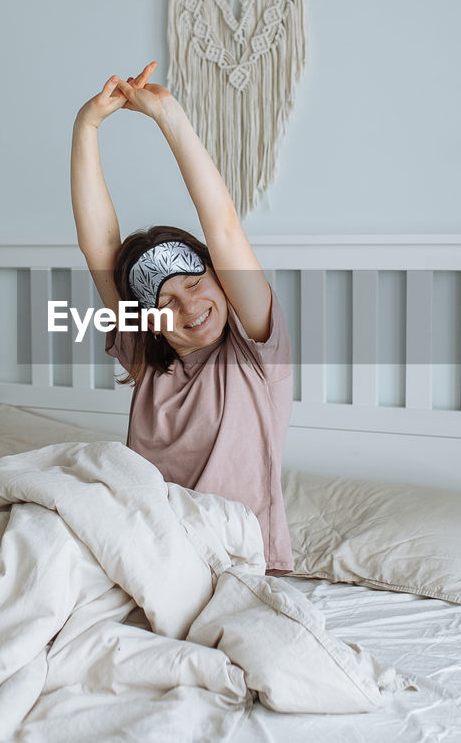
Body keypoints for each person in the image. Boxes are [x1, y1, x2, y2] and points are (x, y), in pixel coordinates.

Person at [70, 61, 293, 574]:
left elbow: (225, 227)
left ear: (219, 275)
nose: (189, 306)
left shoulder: (254, 352)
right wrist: (87, 126)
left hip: (232, 559)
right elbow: (100, 246)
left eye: (194, 284)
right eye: (165, 302)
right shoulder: (150, 359)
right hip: (147, 552)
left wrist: (169, 115)